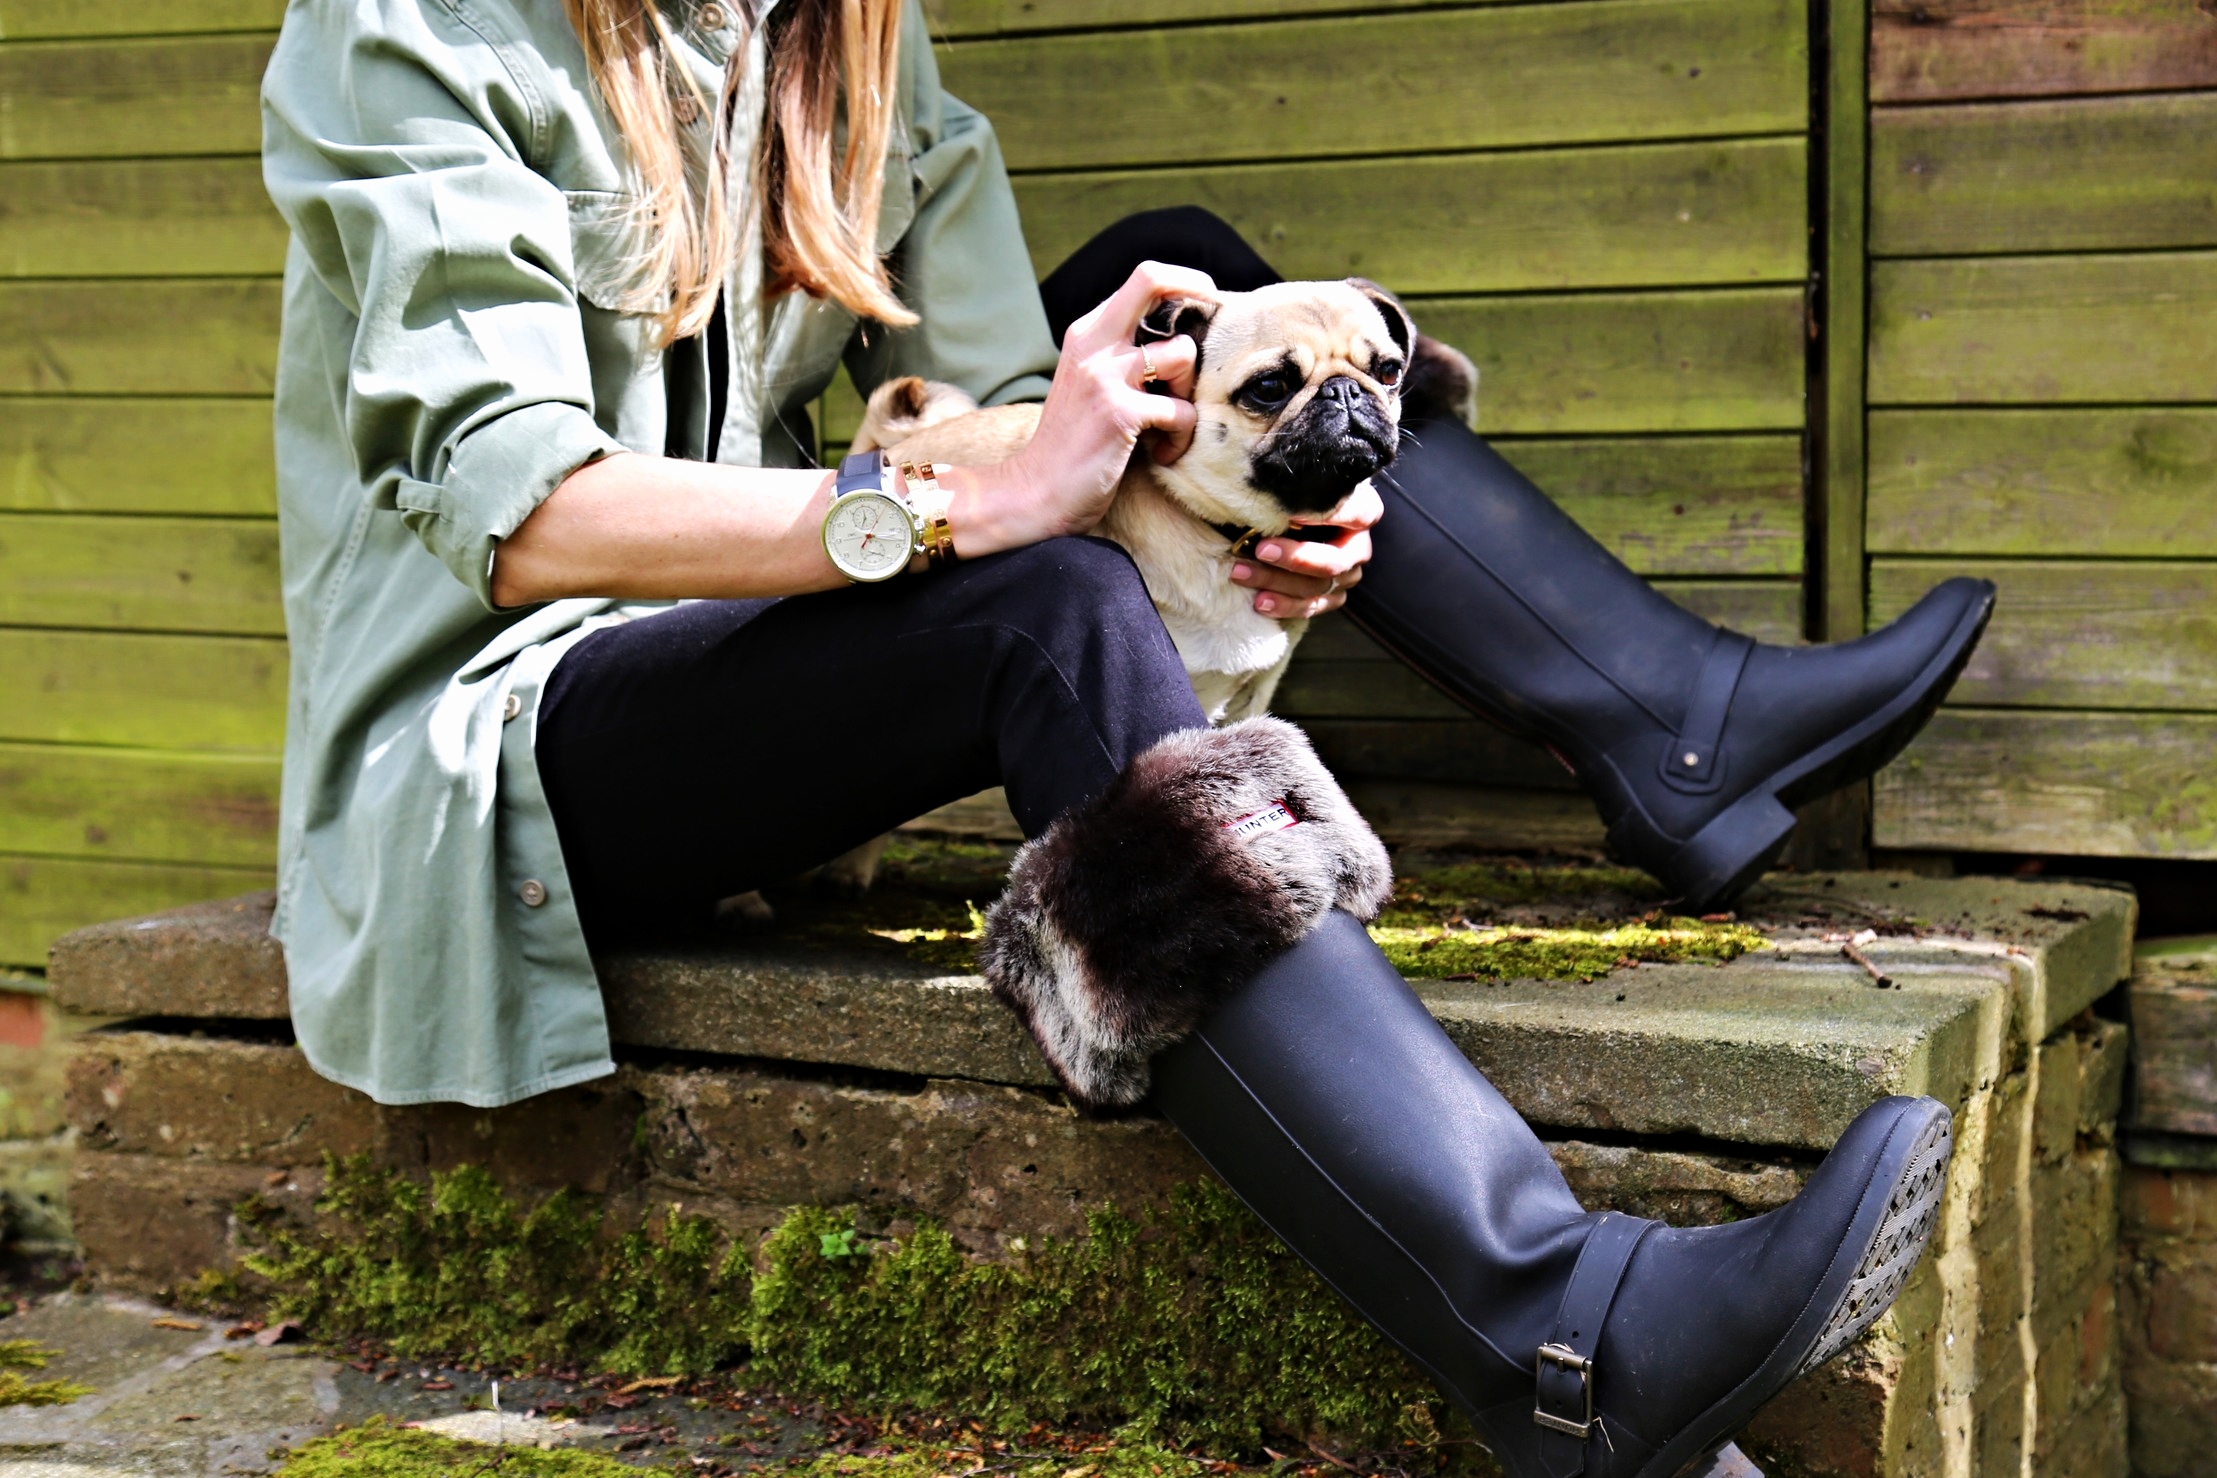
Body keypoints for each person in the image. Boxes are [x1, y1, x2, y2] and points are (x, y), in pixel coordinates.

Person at [258, 3, 1979, 1475]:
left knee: (1202, 293)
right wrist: (961, 506)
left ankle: (1675, 729)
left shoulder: (840, 27)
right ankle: (1552, 1325)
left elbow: (1021, 386)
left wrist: (1235, 509)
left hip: (748, 642)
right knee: (1056, 602)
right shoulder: (414, 22)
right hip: (516, 727)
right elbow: (529, 516)